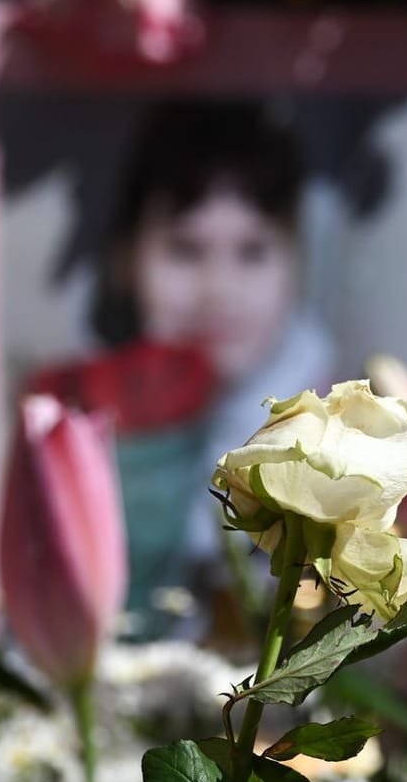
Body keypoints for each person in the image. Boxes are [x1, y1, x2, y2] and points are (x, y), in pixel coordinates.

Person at [26, 100, 333, 637]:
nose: (218, 288)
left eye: (252, 251)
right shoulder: (84, 416)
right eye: (185, 250)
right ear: (125, 257)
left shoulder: (331, 425)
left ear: (296, 262)